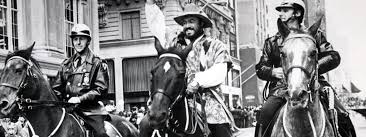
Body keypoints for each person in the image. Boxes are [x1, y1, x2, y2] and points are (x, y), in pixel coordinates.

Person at [254, 0, 356, 137]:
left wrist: (313, 66)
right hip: (281, 87)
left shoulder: (316, 35)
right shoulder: (271, 42)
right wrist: (272, 71)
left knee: (343, 114)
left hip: (315, 84)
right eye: (280, 11)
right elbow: (260, 68)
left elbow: (333, 56)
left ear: (297, 12)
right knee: (265, 113)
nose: (281, 14)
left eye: (285, 10)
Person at [170, 3, 237, 137]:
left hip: (208, 100)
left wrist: (197, 81)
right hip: (179, 101)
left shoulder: (216, 45)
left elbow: (219, 72)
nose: (187, 25)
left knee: (221, 130)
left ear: (201, 24)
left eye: (191, 21)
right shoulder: (176, 47)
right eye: (184, 22)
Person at [52, 24, 110, 137]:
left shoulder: (97, 62)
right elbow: (56, 88)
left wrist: (79, 99)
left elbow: (101, 89)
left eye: (81, 39)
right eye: (75, 39)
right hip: (68, 108)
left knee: (101, 133)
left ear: (88, 41)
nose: (78, 42)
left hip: (90, 110)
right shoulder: (66, 64)